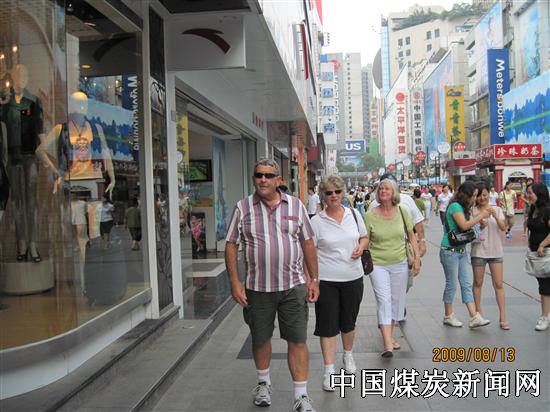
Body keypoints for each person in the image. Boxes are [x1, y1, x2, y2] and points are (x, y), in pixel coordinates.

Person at [225, 158, 319, 412]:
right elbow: (231, 244)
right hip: (257, 289)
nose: (263, 180)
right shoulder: (242, 208)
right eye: (259, 175)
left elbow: (308, 243)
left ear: (279, 180)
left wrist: (314, 279)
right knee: (260, 338)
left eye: (268, 175)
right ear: (253, 179)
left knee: (297, 340)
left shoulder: (296, 206)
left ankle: (301, 396)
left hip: (293, 286)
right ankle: (263, 383)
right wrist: (234, 282)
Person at [309, 175, 369, 391]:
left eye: (337, 191)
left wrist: (361, 247)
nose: (333, 196)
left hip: (353, 277)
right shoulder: (316, 221)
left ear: (343, 193)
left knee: (348, 322)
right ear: (322, 196)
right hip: (326, 280)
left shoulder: (354, 214)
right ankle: (329, 370)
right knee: (327, 325)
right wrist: (312, 280)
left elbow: (364, 237)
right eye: (328, 193)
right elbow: (309, 253)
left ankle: (348, 355)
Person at [365, 178, 420, 357]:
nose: (383, 191)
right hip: (377, 264)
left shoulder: (402, 211)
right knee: (384, 301)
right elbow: (365, 239)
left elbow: (411, 236)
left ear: (394, 192)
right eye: (381, 188)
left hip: (400, 262)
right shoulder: (370, 215)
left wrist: (417, 258)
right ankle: (387, 343)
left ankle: (389, 334)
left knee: (397, 301)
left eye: (387, 189)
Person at [440, 181, 492, 328]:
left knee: (466, 284)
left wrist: (480, 225)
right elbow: (463, 225)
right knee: (451, 284)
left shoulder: (463, 208)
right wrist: (481, 216)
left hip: (461, 250)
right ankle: (448, 315)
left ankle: (474, 316)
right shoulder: (455, 206)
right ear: (465, 195)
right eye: (473, 196)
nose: (475, 199)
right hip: (449, 251)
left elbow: (468, 229)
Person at [471, 182, 509, 330]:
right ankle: (478, 313)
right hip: (478, 251)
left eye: (485, 195)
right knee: (478, 283)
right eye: (479, 195)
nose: (482, 198)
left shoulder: (497, 209)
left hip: (495, 251)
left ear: (489, 194)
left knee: (498, 284)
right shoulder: (472, 211)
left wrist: (495, 216)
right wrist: (479, 224)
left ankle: (503, 316)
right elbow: (469, 230)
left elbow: (503, 228)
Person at [369, 173, 426, 257]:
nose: (385, 190)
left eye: (389, 187)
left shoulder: (407, 200)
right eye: (383, 187)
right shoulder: (373, 205)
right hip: (381, 250)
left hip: (405, 248)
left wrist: (422, 241)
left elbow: (418, 222)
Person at [524, 183, 550, 331]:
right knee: (544, 284)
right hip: (537, 255)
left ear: (539, 194)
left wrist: (542, 244)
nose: (527, 195)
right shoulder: (533, 210)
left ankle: (544, 317)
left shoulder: (547, 211)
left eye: (530, 193)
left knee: (545, 286)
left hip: (546, 253)